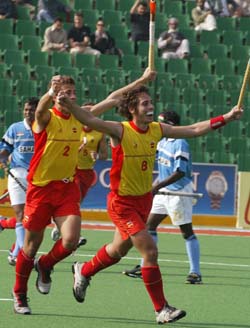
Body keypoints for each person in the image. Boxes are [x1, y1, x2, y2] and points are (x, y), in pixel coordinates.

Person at [58, 68, 243, 324]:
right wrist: (67, 104)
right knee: (150, 251)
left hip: (143, 201)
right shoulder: (119, 131)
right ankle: (161, 309)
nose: (150, 106)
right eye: (145, 103)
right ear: (133, 108)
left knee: (117, 250)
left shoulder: (157, 129)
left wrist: (227, 117)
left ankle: (84, 270)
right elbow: (89, 120)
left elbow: (194, 130)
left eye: (151, 102)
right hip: (122, 203)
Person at [11, 75, 118, 315]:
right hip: (40, 189)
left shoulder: (81, 118)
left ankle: (46, 265)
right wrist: (50, 92)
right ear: (57, 97)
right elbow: (39, 110)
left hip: (66, 188)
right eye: (65, 93)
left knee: (70, 240)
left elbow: (111, 100)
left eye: (73, 93)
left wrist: (140, 81)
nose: (70, 96)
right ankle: (19, 293)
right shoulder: (46, 118)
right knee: (30, 246)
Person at [123, 110, 202, 284]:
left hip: (178, 192)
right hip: (163, 191)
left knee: (186, 231)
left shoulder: (180, 143)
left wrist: (156, 186)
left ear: (170, 125)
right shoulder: (162, 142)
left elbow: (180, 172)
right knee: (149, 226)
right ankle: (146, 265)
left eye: (161, 122)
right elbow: (160, 167)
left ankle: (195, 272)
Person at [51, 102, 108, 241]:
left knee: (78, 202)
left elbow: (105, 155)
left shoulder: (99, 132)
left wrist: (97, 155)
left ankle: (60, 226)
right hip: (71, 169)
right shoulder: (74, 127)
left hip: (87, 172)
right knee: (74, 200)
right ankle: (75, 234)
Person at [0, 97, 39, 266]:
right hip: (17, 174)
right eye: (26, 109)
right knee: (20, 214)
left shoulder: (43, 128)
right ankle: (21, 253)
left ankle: (15, 250)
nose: (28, 112)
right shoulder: (15, 128)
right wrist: (2, 159)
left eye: (31, 109)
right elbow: (4, 150)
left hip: (39, 177)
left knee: (34, 218)